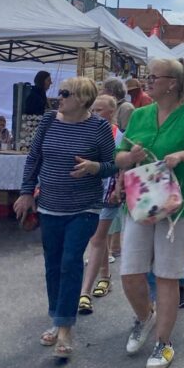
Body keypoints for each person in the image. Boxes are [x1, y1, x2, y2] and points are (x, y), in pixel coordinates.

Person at [115, 57, 184, 368]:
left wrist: (182, 155)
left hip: (178, 207)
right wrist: (129, 156)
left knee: (167, 275)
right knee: (130, 272)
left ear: (172, 83)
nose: (147, 81)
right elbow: (118, 155)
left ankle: (164, 342)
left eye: (153, 77)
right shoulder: (140, 115)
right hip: (141, 201)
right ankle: (144, 317)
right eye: (147, 76)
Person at [13, 77, 117, 360]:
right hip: (49, 206)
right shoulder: (49, 121)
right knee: (52, 264)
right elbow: (34, 158)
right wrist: (26, 193)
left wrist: (95, 167)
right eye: (60, 92)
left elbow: (111, 166)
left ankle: (65, 327)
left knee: (70, 262)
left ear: (83, 99)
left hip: (84, 207)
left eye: (65, 93)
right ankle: (56, 317)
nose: (59, 97)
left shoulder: (99, 128)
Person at [78, 95, 123, 315]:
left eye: (99, 110)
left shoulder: (118, 134)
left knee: (97, 237)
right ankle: (105, 276)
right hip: (89, 190)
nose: (94, 113)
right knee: (98, 237)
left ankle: (84, 292)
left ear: (111, 112)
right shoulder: (87, 130)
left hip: (109, 191)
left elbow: (122, 164)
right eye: (93, 109)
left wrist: (118, 188)